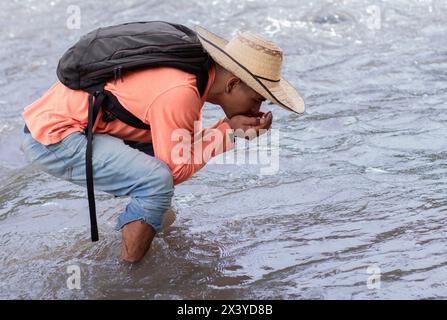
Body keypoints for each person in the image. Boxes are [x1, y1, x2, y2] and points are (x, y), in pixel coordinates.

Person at [21, 24, 304, 262]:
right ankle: (129, 275)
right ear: (231, 85)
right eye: (256, 99)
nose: (257, 110)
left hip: (75, 122)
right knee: (156, 181)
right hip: (55, 136)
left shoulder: (196, 69)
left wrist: (225, 130)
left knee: (161, 176)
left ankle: (144, 233)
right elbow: (174, 168)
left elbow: (184, 146)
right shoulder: (181, 92)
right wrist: (228, 132)